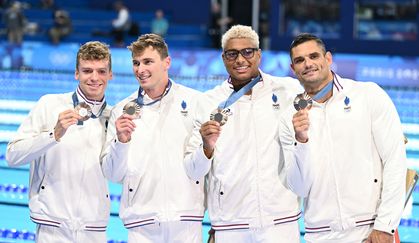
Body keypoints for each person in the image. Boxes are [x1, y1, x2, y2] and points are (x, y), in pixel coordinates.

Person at [278, 33, 407, 243]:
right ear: (293, 69)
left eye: (314, 56)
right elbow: (299, 187)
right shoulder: (288, 118)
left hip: (370, 229)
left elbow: (395, 160)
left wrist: (385, 226)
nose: (308, 64)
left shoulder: (368, 95)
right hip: (320, 235)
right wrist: (301, 141)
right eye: (300, 60)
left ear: (328, 59)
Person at [184, 25, 303, 242]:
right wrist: (206, 147)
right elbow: (193, 171)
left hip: (281, 221)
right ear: (223, 58)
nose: (240, 59)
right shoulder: (208, 102)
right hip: (230, 224)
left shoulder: (288, 91)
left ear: (259, 54)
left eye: (247, 52)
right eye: (232, 54)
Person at [6, 41, 113, 242]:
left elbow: (118, 174)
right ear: (76, 73)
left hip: (94, 228)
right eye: (87, 71)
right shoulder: (49, 104)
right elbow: (12, 156)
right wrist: (53, 135)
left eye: (101, 71)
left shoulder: (114, 117)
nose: (94, 78)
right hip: (52, 227)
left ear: (110, 75)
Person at [101, 33, 203, 243]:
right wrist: (121, 141)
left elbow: (205, 165)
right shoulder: (122, 110)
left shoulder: (195, 102)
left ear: (167, 62)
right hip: (141, 225)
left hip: (186, 222)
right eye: (136, 63)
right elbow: (112, 174)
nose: (140, 69)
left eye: (148, 61)